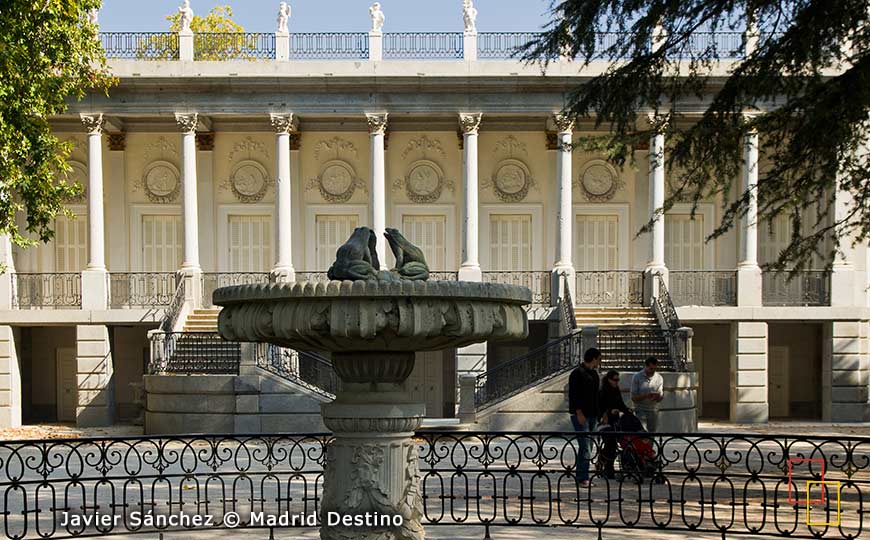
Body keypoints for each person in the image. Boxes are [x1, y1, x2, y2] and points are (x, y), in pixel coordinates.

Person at [568, 347, 601, 487]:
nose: (599, 362)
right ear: (593, 358)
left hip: (593, 414)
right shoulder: (576, 373)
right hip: (581, 415)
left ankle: (582, 474)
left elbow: (596, 396)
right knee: (585, 446)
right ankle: (582, 477)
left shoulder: (594, 374)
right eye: (598, 359)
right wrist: (579, 413)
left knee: (588, 446)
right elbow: (573, 395)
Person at [598, 369, 630, 478]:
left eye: (618, 380)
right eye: (615, 380)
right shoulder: (602, 391)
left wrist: (627, 411)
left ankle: (604, 460)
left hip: (616, 421)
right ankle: (608, 467)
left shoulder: (616, 390)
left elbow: (621, 404)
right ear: (608, 380)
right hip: (605, 421)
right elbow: (600, 406)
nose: (616, 382)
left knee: (621, 442)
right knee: (610, 443)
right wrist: (608, 411)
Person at [631, 356, 664, 433]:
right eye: (651, 369)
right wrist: (646, 396)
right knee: (642, 433)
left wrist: (658, 397)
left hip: (653, 410)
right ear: (646, 366)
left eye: (655, 369)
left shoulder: (659, 378)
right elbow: (633, 397)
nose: (653, 371)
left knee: (652, 434)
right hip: (640, 409)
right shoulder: (637, 377)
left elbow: (661, 395)